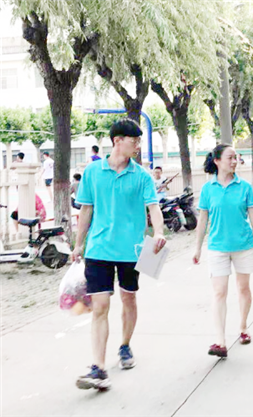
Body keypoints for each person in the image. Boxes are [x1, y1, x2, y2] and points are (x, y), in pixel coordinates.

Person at [72, 118, 167, 391]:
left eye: (139, 141)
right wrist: (79, 244)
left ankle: (125, 345)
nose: (137, 146)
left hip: (131, 250)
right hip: (99, 248)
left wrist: (159, 232)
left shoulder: (142, 176)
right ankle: (99, 368)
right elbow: (86, 210)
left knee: (128, 298)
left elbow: (153, 207)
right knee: (100, 306)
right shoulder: (92, 172)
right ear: (117, 141)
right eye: (134, 141)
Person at [192, 144, 253, 358]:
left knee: (243, 288)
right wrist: (197, 248)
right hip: (217, 248)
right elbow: (203, 220)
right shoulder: (208, 189)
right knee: (219, 292)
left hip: (243, 246)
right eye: (230, 157)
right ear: (217, 161)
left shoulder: (244, 187)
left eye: (236, 157)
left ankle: (243, 326)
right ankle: (220, 341)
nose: (234, 161)